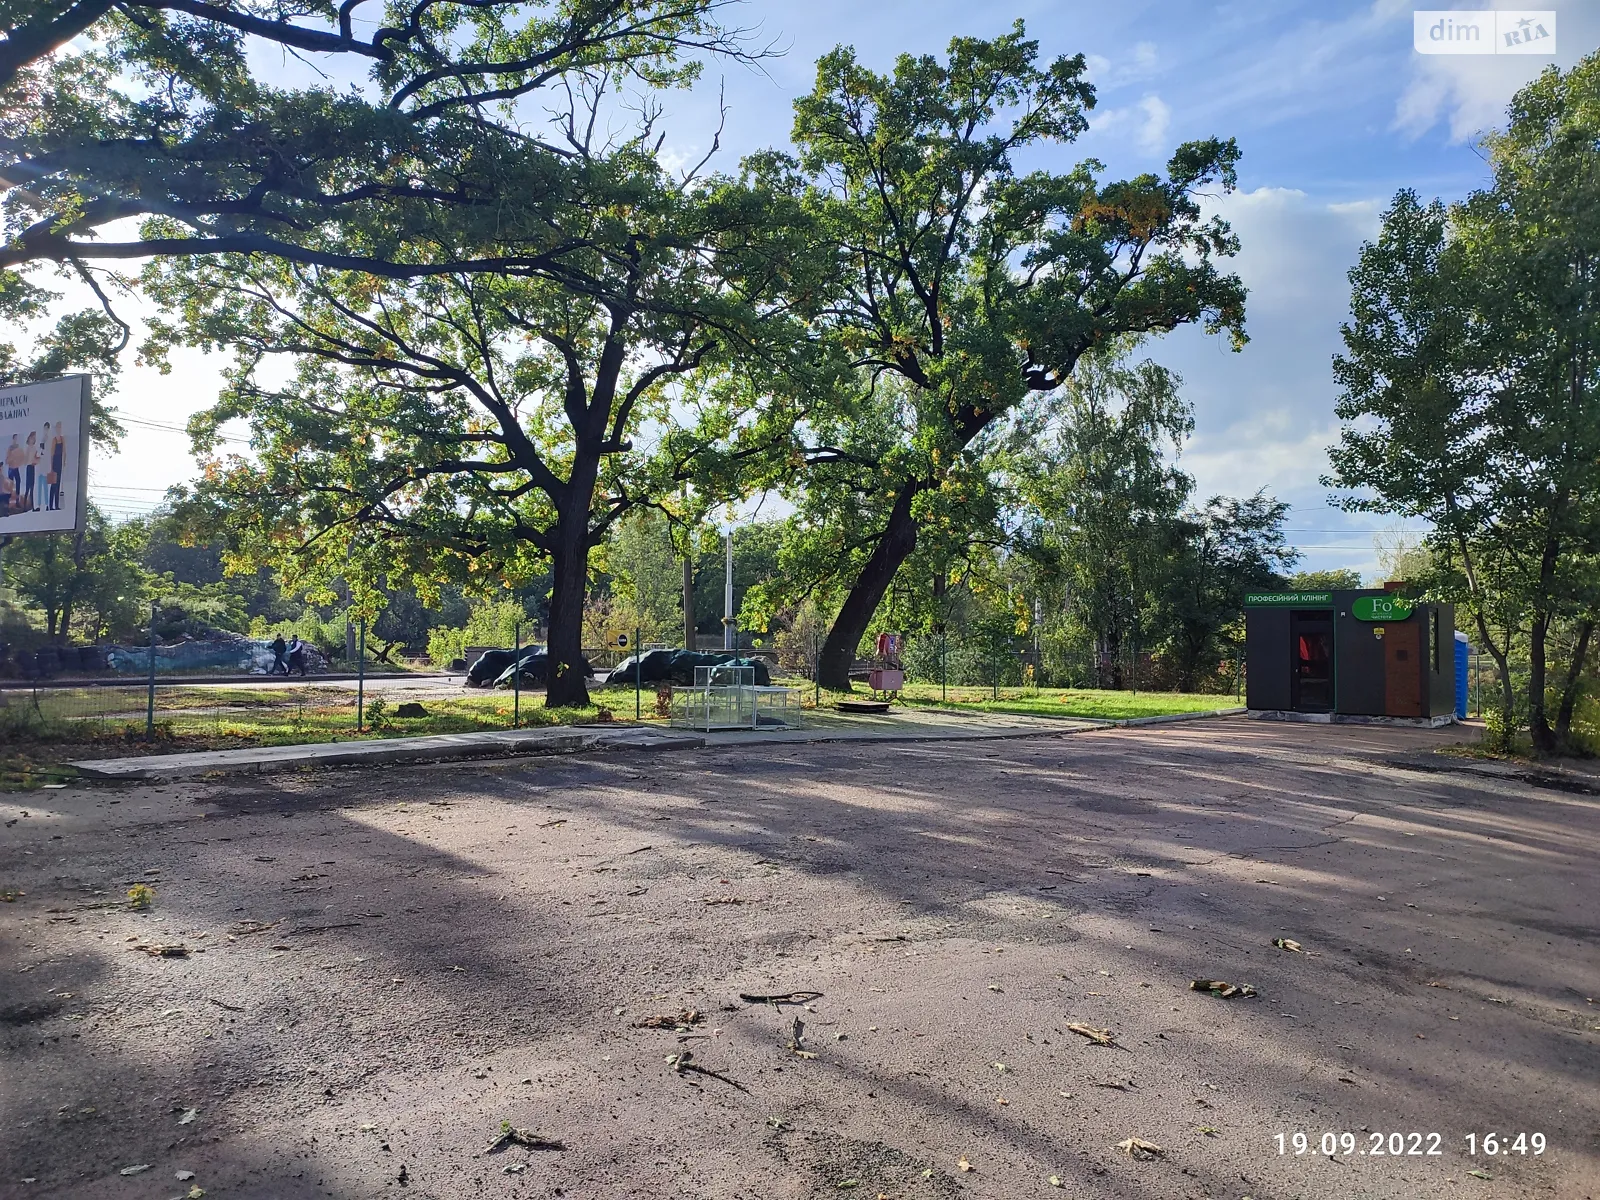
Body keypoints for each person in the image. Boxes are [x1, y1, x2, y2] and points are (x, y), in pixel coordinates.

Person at [48, 421, 65, 511]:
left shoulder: (62, 439)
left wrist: (64, 463)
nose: (59, 429)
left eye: (60, 427)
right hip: (55, 463)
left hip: (60, 463)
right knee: (53, 484)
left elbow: (64, 451)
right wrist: (51, 467)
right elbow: (52, 454)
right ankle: (50, 505)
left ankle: (57, 505)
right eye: (58, 427)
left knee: (58, 484)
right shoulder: (54, 439)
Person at [21, 431, 37, 512]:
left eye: (34, 438)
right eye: (32, 437)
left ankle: (33, 506)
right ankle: (24, 507)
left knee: (32, 488)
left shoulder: (34, 448)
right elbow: (25, 460)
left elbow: (36, 458)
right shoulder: (27, 448)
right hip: (29, 467)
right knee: (27, 488)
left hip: (33, 467)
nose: (33, 439)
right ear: (29, 438)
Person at [4, 434, 21, 504]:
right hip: (11, 468)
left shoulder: (18, 447)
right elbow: (7, 460)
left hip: (16, 467)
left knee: (18, 481)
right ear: (13, 439)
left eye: (17, 438)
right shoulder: (10, 448)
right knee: (10, 485)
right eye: (15, 438)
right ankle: (9, 501)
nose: (16, 440)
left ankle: (17, 500)